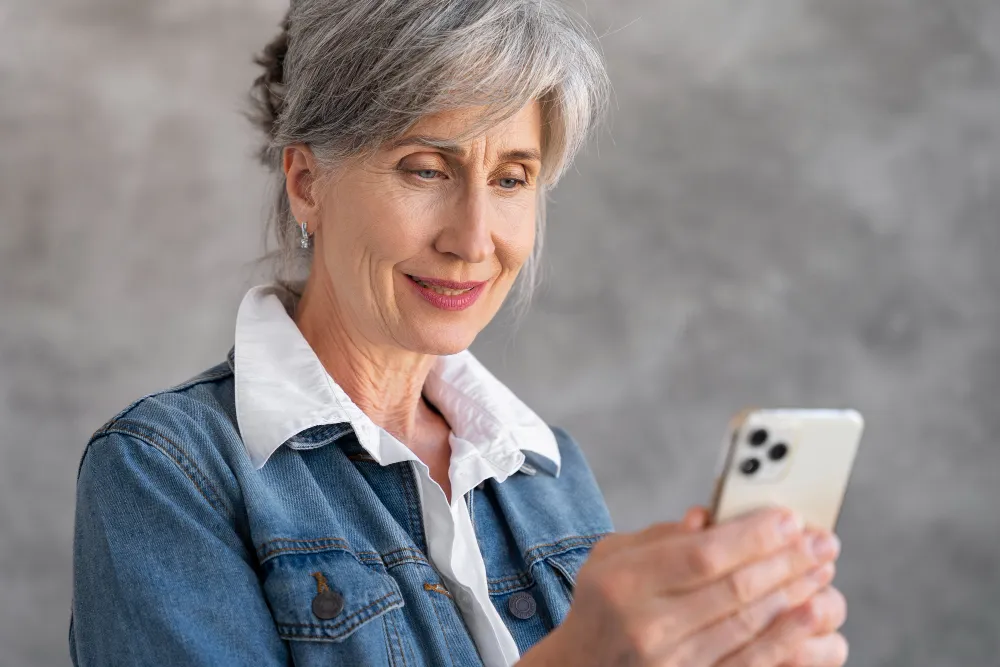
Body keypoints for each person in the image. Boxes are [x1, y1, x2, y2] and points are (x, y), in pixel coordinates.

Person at [69, 1, 847, 665]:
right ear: (307, 182)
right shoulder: (164, 472)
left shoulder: (546, 470)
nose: (474, 238)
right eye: (425, 168)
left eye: (511, 179)